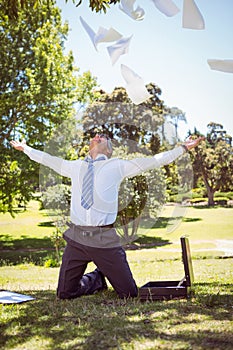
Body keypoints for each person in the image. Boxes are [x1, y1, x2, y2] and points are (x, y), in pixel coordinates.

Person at [10, 134, 204, 299]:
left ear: (109, 150)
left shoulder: (117, 166)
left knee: (129, 293)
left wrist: (183, 148)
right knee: (64, 293)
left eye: (103, 137)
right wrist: (26, 148)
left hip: (104, 239)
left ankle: (106, 268)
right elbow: (49, 159)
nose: (97, 136)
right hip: (77, 238)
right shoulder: (75, 166)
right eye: (94, 136)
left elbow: (154, 161)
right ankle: (97, 279)